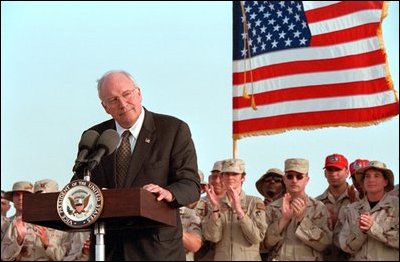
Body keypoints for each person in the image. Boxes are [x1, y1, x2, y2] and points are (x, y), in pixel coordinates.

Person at [71, 70, 200, 261]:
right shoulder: (95, 136)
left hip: (156, 250)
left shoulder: (172, 130)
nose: (123, 104)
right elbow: (78, 185)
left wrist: (168, 193)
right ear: (105, 106)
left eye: (126, 94)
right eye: (113, 100)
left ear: (138, 93)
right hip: (108, 249)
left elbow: (190, 184)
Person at [263, 158, 332, 261]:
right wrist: (283, 221)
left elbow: (325, 244)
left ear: (307, 179)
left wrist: (301, 220)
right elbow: (263, 245)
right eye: (290, 176)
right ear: (284, 179)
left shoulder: (318, 208)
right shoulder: (272, 208)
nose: (294, 180)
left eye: (299, 176)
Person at [202, 158, 267, 260]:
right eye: (226, 174)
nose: (230, 177)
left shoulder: (254, 202)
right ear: (222, 177)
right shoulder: (215, 203)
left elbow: (256, 237)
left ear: (243, 177)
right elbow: (213, 237)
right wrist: (215, 209)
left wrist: (239, 211)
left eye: (234, 174)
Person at [339, 160, 399, 261]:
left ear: (386, 181)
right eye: (367, 176)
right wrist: (360, 232)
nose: (371, 180)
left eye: (377, 176)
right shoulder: (352, 209)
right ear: (363, 182)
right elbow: (345, 246)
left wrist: (373, 228)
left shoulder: (396, 206)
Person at [316, 153, 355, 260]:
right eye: (330, 170)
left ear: (347, 173)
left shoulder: (357, 199)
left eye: (337, 170)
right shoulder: (317, 203)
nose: (333, 174)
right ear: (325, 173)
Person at [194, 160, 224, 261]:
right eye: (214, 177)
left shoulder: (236, 205)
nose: (217, 181)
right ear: (209, 179)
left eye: (221, 177)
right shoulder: (197, 203)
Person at [255, 168, 285, 261]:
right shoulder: (254, 207)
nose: (272, 182)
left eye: (277, 180)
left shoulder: (293, 206)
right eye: (267, 180)